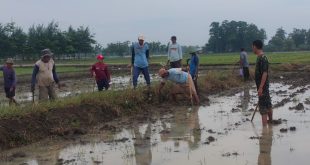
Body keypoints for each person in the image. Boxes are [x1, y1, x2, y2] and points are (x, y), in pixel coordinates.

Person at [252, 40, 272, 126]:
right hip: (263, 86)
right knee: (268, 104)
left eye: (252, 47)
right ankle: (270, 123)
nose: (252, 48)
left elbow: (265, 73)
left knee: (263, 108)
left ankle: (264, 132)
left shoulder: (263, 58)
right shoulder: (259, 57)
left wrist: (260, 88)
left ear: (255, 47)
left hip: (262, 87)